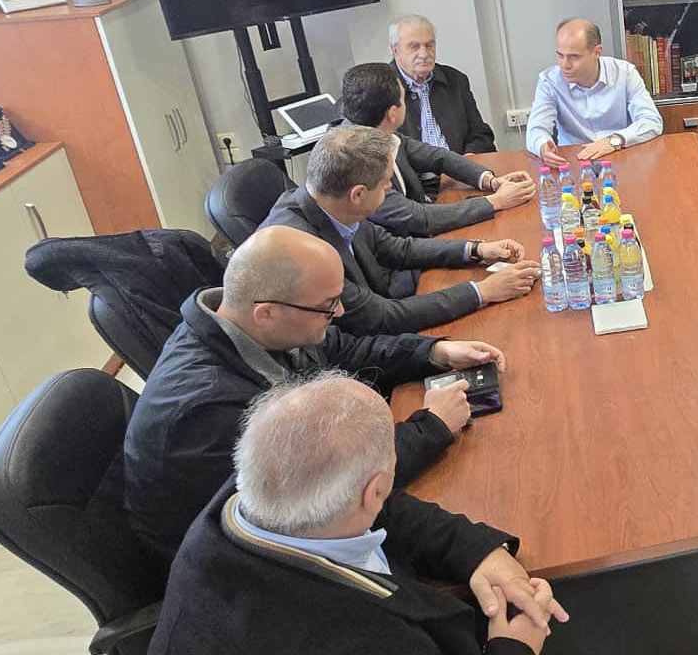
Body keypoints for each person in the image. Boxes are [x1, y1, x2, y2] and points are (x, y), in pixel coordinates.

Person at [123, 226, 506, 564]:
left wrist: (434, 352)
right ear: (266, 313)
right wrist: (431, 427)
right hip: (246, 568)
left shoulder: (250, 323)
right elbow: (326, 493)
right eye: (327, 306)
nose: (339, 312)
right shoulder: (208, 411)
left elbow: (345, 350)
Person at [149, 374, 569, 654]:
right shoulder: (370, 640)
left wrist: (478, 550)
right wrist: (514, 647)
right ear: (375, 489)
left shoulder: (254, 493)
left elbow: (388, 510)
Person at [262, 126, 539, 334]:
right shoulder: (305, 252)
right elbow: (382, 317)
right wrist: (483, 291)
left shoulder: (331, 202)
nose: (389, 191)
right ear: (358, 194)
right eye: (386, 185)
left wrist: (476, 250)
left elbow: (394, 248)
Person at [340, 62, 535, 237]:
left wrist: (490, 181)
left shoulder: (375, 131)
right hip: (404, 249)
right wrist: (496, 202)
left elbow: (436, 156)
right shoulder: (357, 162)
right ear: (392, 113)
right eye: (404, 99)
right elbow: (418, 218)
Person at [526, 18, 664, 164]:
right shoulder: (549, 81)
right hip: (574, 161)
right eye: (560, 55)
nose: (565, 65)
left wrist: (614, 141)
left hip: (621, 155)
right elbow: (536, 128)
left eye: (574, 57)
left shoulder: (625, 73)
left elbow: (651, 121)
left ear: (597, 52)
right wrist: (542, 146)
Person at [389, 14, 498, 157]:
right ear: (395, 50)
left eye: (429, 45)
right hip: (412, 171)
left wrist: (469, 159)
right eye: (414, 47)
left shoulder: (455, 80)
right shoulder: (382, 87)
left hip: (461, 167)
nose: (424, 54)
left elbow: (481, 134)